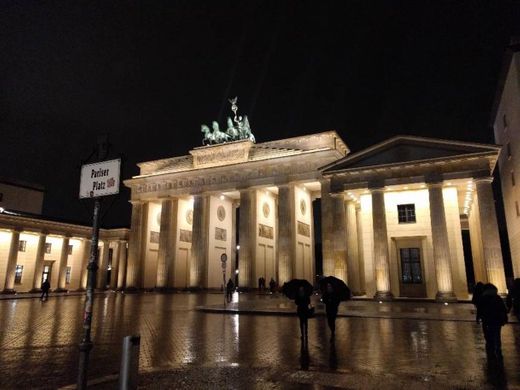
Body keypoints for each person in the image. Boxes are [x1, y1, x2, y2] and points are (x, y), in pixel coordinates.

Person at [478, 283, 508, 360]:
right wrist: (505, 318)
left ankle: (490, 349)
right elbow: (503, 309)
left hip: (487, 319)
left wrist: (478, 317)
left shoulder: (483, 298)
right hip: (497, 319)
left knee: (488, 334)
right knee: (497, 334)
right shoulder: (497, 297)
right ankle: (498, 349)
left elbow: (480, 309)